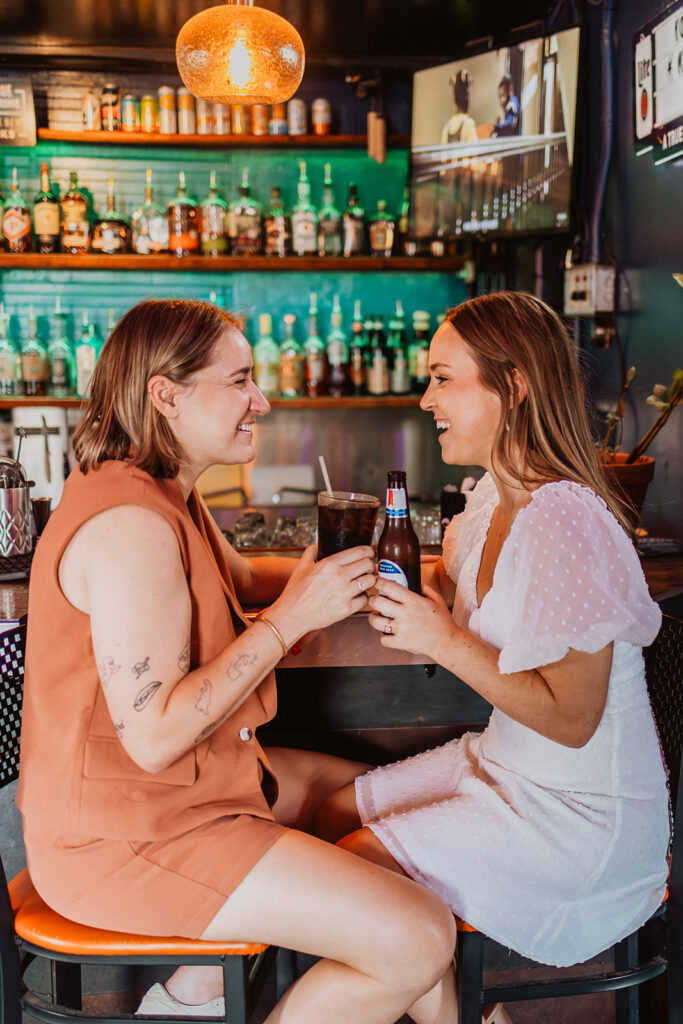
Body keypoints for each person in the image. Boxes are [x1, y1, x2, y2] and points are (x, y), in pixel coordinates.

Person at [16, 299, 461, 1024]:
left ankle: (192, 991)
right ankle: (197, 987)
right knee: (418, 935)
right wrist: (294, 620)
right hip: (126, 839)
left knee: (394, 809)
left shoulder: (165, 491)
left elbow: (242, 579)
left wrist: (361, 572)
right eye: (240, 380)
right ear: (166, 394)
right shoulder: (130, 528)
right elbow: (156, 735)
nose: (262, 399)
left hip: (193, 798)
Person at [319, 292, 669, 1003]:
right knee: (328, 818)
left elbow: (571, 721)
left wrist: (441, 638)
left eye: (443, 378)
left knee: (356, 876)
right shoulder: (487, 504)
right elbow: (446, 594)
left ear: (512, 386)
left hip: (579, 818)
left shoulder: (564, 520)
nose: (424, 399)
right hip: (502, 767)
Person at [441, 69, 478, 145]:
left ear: (454, 99)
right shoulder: (468, 123)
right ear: (467, 96)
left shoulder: (447, 127)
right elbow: (475, 154)